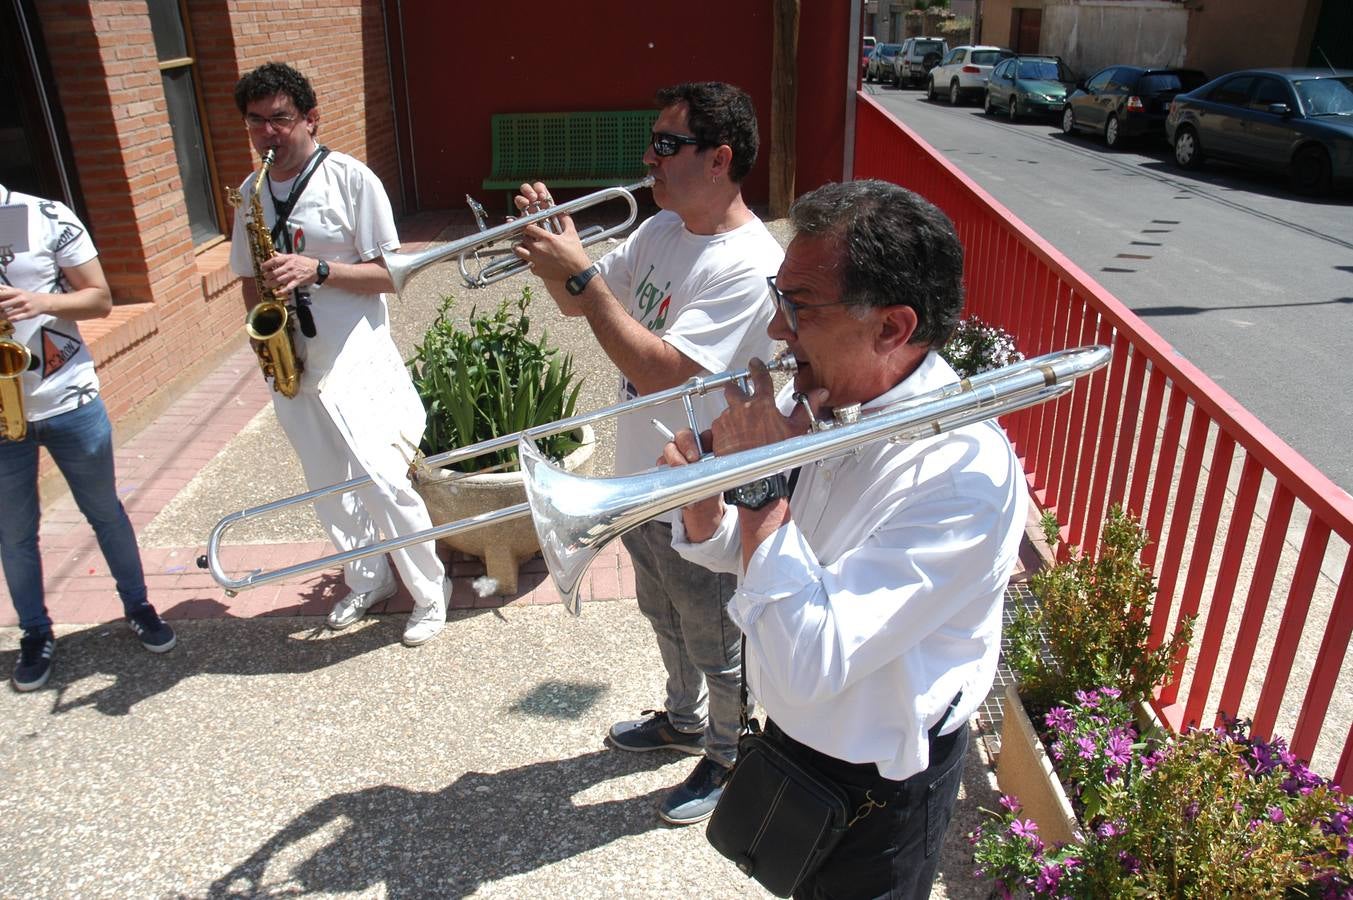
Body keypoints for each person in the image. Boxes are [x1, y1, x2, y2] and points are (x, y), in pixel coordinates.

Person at [663, 179, 1027, 898]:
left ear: (891, 328)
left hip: (878, 786)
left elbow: (809, 659)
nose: (775, 330)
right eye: (780, 298)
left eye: (797, 308)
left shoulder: (960, 473)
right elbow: (776, 562)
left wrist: (761, 487)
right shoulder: (832, 397)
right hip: (792, 741)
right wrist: (708, 504)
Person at [512, 82, 782, 825]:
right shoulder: (663, 229)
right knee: (660, 612)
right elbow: (584, 303)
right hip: (641, 477)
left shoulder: (747, 264)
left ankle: (731, 753)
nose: (648, 158)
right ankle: (681, 718)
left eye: (667, 144)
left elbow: (664, 366)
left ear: (720, 159)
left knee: (713, 632)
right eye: (653, 143)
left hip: (700, 492)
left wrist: (578, 273)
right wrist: (551, 253)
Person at [229, 62, 446, 647]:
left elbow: (391, 276)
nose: (269, 134)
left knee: (385, 479)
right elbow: (249, 276)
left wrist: (318, 269)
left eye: (281, 119)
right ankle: (368, 578)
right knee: (327, 484)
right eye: (257, 122)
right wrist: (262, 339)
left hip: (356, 357)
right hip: (293, 359)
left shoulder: (352, 180)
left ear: (310, 118)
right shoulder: (251, 194)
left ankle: (429, 594)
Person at [1, 184, 177, 692]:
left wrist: (37, 301)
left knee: (104, 512)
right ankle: (35, 633)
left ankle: (138, 606)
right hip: (1, 414)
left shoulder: (45, 215)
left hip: (67, 397)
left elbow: (100, 298)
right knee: (13, 533)